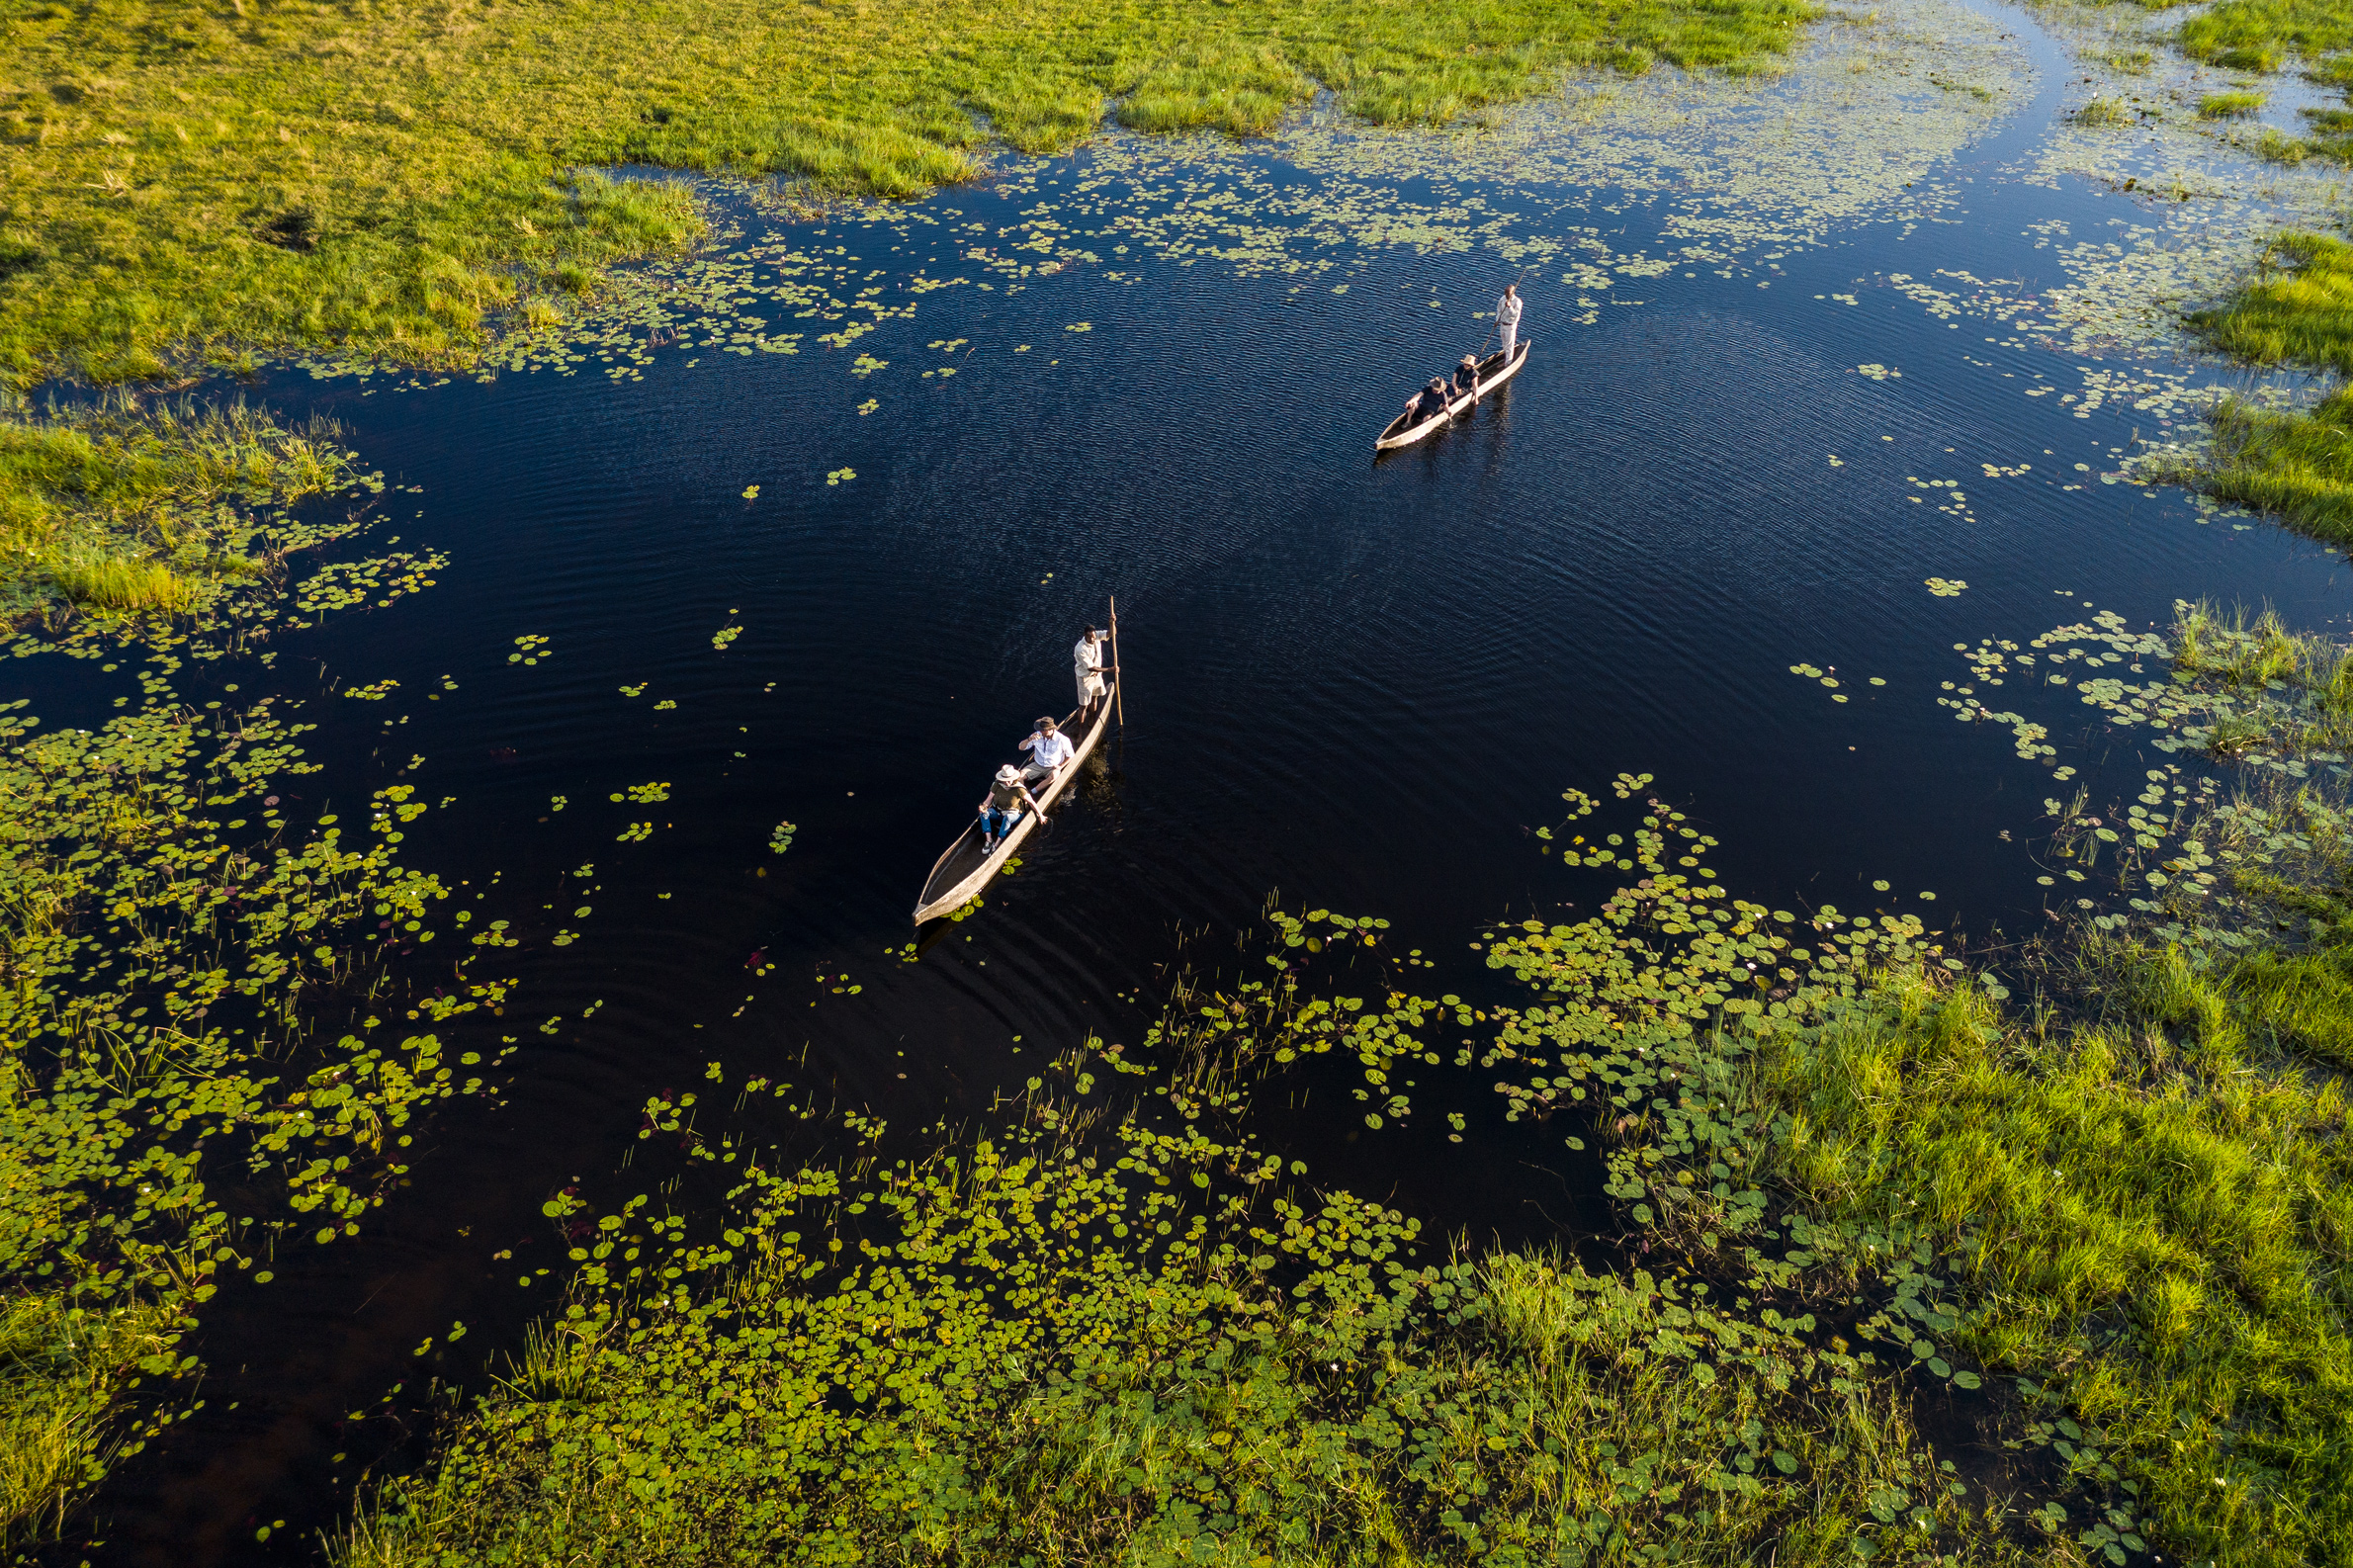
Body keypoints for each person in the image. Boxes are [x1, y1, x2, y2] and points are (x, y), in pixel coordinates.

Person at [977, 763, 1040, 853]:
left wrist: (1040, 815)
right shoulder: (997, 785)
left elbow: (1031, 802)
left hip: (1014, 814)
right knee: (984, 813)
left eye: (1009, 780)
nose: (1007, 783)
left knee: (1008, 818)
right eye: (1005, 781)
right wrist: (983, 807)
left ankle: (997, 843)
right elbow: (988, 800)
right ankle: (989, 840)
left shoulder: (1019, 789)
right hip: (999, 812)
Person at [1017, 716, 1074, 788]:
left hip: (1052, 767)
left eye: (1043, 730)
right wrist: (1029, 739)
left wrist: (1060, 766)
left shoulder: (1062, 739)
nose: (1040, 731)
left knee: (1054, 776)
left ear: (1050, 730)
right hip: (1037, 765)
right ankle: (1024, 793)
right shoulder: (1036, 735)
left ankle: (1034, 791)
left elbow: (1070, 755)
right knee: (1020, 776)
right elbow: (1021, 748)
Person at [1074, 626, 1112, 725]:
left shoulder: (1096, 636)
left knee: (1095, 698)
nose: (1092, 639)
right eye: (1089, 637)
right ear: (1084, 635)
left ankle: (1091, 720)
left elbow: (1111, 633)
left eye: (1093, 637)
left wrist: (1111, 622)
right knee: (1083, 706)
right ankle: (1080, 730)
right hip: (1085, 679)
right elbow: (1090, 668)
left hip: (1097, 676)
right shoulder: (1080, 648)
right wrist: (1109, 670)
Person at [1495, 283, 1524, 362]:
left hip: (1510, 326)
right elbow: (1499, 310)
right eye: (1505, 292)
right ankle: (1505, 358)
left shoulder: (1517, 301)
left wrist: (1509, 307)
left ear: (1512, 292)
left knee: (1509, 345)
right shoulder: (1502, 299)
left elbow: (1516, 315)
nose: (1506, 294)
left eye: (1508, 293)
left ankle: (1508, 362)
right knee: (1504, 344)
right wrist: (1497, 320)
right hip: (1502, 324)